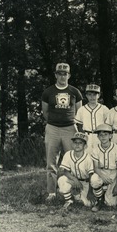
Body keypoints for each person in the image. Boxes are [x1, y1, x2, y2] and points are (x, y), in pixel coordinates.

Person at [42, 63, 83, 203]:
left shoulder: (75, 92)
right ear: (56, 75)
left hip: (70, 128)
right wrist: (54, 123)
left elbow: (79, 112)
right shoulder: (48, 92)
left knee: (74, 161)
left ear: (69, 75)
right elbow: (45, 112)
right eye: (60, 73)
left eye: (65, 73)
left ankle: (76, 191)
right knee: (51, 162)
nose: (62, 76)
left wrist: (69, 123)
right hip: (52, 128)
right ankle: (52, 192)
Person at [90, 123, 117, 212]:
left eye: (106, 134)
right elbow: (95, 167)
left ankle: (110, 191)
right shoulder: (95, 148)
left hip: (113, 173)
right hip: (101, 172)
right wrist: (102, 176)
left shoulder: (116, 148)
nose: (103, 137)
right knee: (94, 179)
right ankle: (99, 199)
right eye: (100, 135)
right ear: (98, 137)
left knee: (111, 204)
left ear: (110, 136)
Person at [57, 132, 94, 210]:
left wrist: (90, 192)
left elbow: (91, 176)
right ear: (72, 144)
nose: (77, 145)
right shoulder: (68, 154)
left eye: (80, 143)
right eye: (75, 142)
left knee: (88, 204)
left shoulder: (88, 157)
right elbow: (65, 171)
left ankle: (76, 195)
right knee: (62, 179)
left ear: (85, 146)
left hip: (85, 182)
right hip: (73, 179)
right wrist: (75, 180)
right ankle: (69, 200)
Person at [75, 84, 109, 154]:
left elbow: (108, 125)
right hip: (87, 136)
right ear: (86, 95)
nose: (92, 97)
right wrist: (83, 138)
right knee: (87, 157)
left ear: (98, 95)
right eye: (89, 94)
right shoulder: (82, 109)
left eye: (94, 95)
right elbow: (79, 126)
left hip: (100, 136)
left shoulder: (104, 109)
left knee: (101, 157)